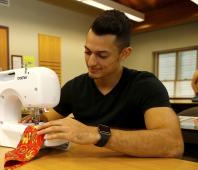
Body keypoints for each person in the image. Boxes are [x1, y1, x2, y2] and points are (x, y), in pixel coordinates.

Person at [35, 10, 184, 157]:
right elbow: (46, 120)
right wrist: (34, 117)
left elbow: (173, 144)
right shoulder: (75, 87)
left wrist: (96, 134)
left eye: (102, 55)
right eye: (87, 52)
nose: (91, 62)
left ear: (124, 53)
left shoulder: (145, 85)